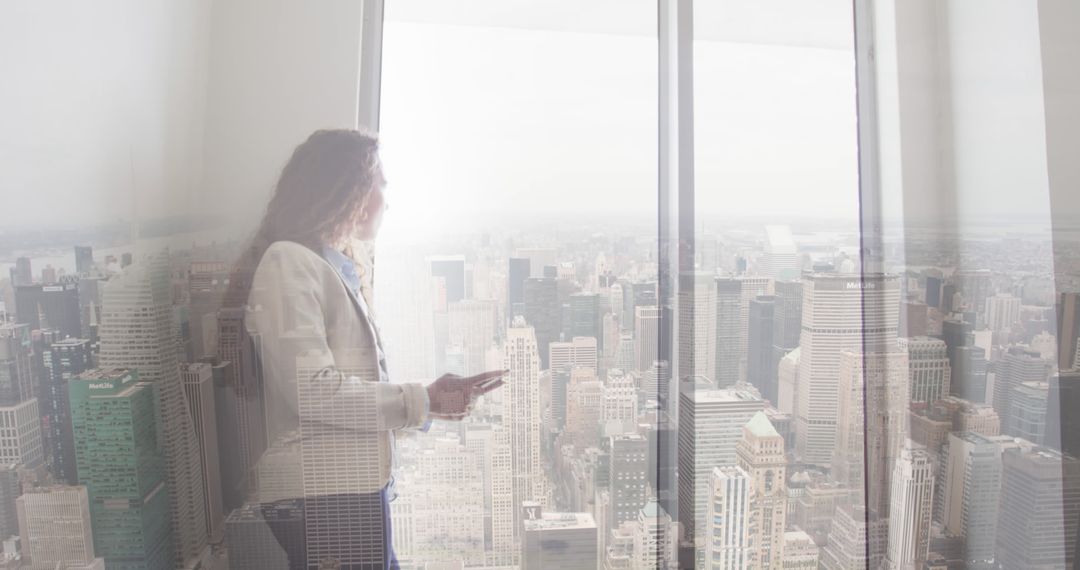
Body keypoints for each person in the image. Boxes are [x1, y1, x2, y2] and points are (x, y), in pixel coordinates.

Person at [234, 128, 505, 569]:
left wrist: (429, 403)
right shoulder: (288, 263)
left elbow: (338, 394)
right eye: (379, 182)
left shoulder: (326, 267)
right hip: (325, 496)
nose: (386, 196)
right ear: (348, 190)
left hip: (343, 492)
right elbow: (314, 391)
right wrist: (422, 399)